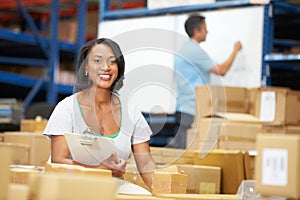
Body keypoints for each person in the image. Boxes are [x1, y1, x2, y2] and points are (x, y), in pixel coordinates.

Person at [44, 38, 157, 188]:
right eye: (97, 61)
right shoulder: (66, 108)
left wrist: (166, 187)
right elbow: (59, 161)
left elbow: (145, 163)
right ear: (85, 67)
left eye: (112, 61)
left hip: (110, 187)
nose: (106, 67)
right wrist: (99, 170)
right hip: (69, 186)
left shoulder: (131, 112)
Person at [172, 14, 242, 149]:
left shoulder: (184, 49)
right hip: (190, 111)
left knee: (183, 153)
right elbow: (221, 70)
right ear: (196, 31)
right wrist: (235, 51)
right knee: (184, 154)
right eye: (205, 28)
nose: (207, 32)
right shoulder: (194, 50)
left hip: (184, 109)